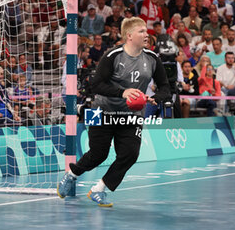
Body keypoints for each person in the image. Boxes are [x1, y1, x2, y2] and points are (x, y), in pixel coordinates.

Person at [57, 17, 171, 207]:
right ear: (129, 36)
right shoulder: (113, 56)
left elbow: (166, 87)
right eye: (141, 31)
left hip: (132, 115)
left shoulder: (152, 59)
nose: (146, 34)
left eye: (146, 31)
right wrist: (122, 92)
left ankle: (98, 189)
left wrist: (156, 98)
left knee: (130, 154)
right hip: (100, 110)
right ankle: (71, 174)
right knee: (98, 153)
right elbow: (95, 85)